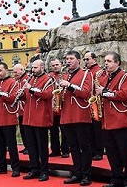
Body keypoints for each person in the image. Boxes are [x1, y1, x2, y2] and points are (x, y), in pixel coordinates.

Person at [95, 52, 127, 187]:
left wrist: (104, 92)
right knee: (112, 153)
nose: (106, 63)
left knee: (125, 153)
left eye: (109, 61)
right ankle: (116, 179)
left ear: (117, 63)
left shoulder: (125, 76)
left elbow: (124, 95)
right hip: (107, 120)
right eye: (105, 61)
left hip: (120, 120)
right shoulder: (104, 77)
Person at [59, 50, 94, 186]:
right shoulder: (66, 75)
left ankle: (86, 175)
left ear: (78, 60)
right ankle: (77, 172)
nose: (68, 61)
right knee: (73, 146)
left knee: (84, 146)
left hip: (80, 114)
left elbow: (86, 93)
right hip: (67, 114)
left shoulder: (86, 73)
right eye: (67, 59)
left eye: (71, 58)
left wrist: (70, 86)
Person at [20, 59, 54, 182]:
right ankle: (34, 168)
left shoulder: (48, 79)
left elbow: (48, 95)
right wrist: (21, 95)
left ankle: (44, 171)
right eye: (32, 68)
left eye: (35, 68)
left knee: (42, 147)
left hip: (40, 118)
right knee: (31, 146)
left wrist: (32, 89)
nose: (32, 70)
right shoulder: (31, 79)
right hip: (28, 118)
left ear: (42, 68)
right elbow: (27, 96)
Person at [0, 61, 21, 177]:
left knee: (11, 145)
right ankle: (1, 166)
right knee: (0, 145)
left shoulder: (13, 82)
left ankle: (16, 167)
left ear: (6, 70)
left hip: (8, 117)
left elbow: (13, 98)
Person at [84, 51, 105, 161]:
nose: (85, 62)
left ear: (94, 59)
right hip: (88, 103)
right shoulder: (87, 71)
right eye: (84, 60)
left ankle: (99, 151)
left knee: (97, 129)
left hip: (96, 102)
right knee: (89, 129)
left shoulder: (99, 71)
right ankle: (92, 150)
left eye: (87, 59)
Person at [48, 58, 69, 158]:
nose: (55, 67)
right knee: (53, 131)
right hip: (53, 107)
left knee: (64, 131)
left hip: (63, 107)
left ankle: (65, 150)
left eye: (57, 64)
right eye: (53, 65)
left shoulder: (65, 76)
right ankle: (55, 150)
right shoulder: (49, 77)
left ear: (61, 64)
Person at [13, 63, 30, 154]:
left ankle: (29, 146)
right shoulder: (17, 80)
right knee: (22, 129)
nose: (15, 74)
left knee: (26, 129)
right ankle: (26, 145)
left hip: (25, 108)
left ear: (22, 70)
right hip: (20, 109)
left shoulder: (27, 79)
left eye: (16, 72)